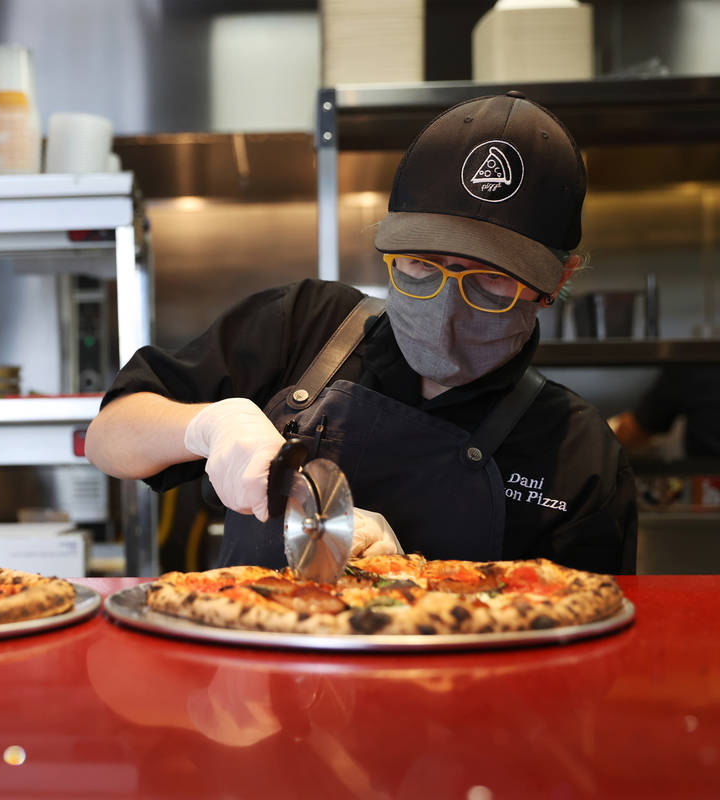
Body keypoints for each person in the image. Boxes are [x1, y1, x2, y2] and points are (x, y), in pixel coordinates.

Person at [85, 92, 637, 575]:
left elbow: (576, 667)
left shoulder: (581, 457)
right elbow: (108, 438)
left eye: (491, 279)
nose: (445, 306)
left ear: (557, 280)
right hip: (256, 687)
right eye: (421, 263)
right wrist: (205, 426)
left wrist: (423, 591)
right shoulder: (304, 325)